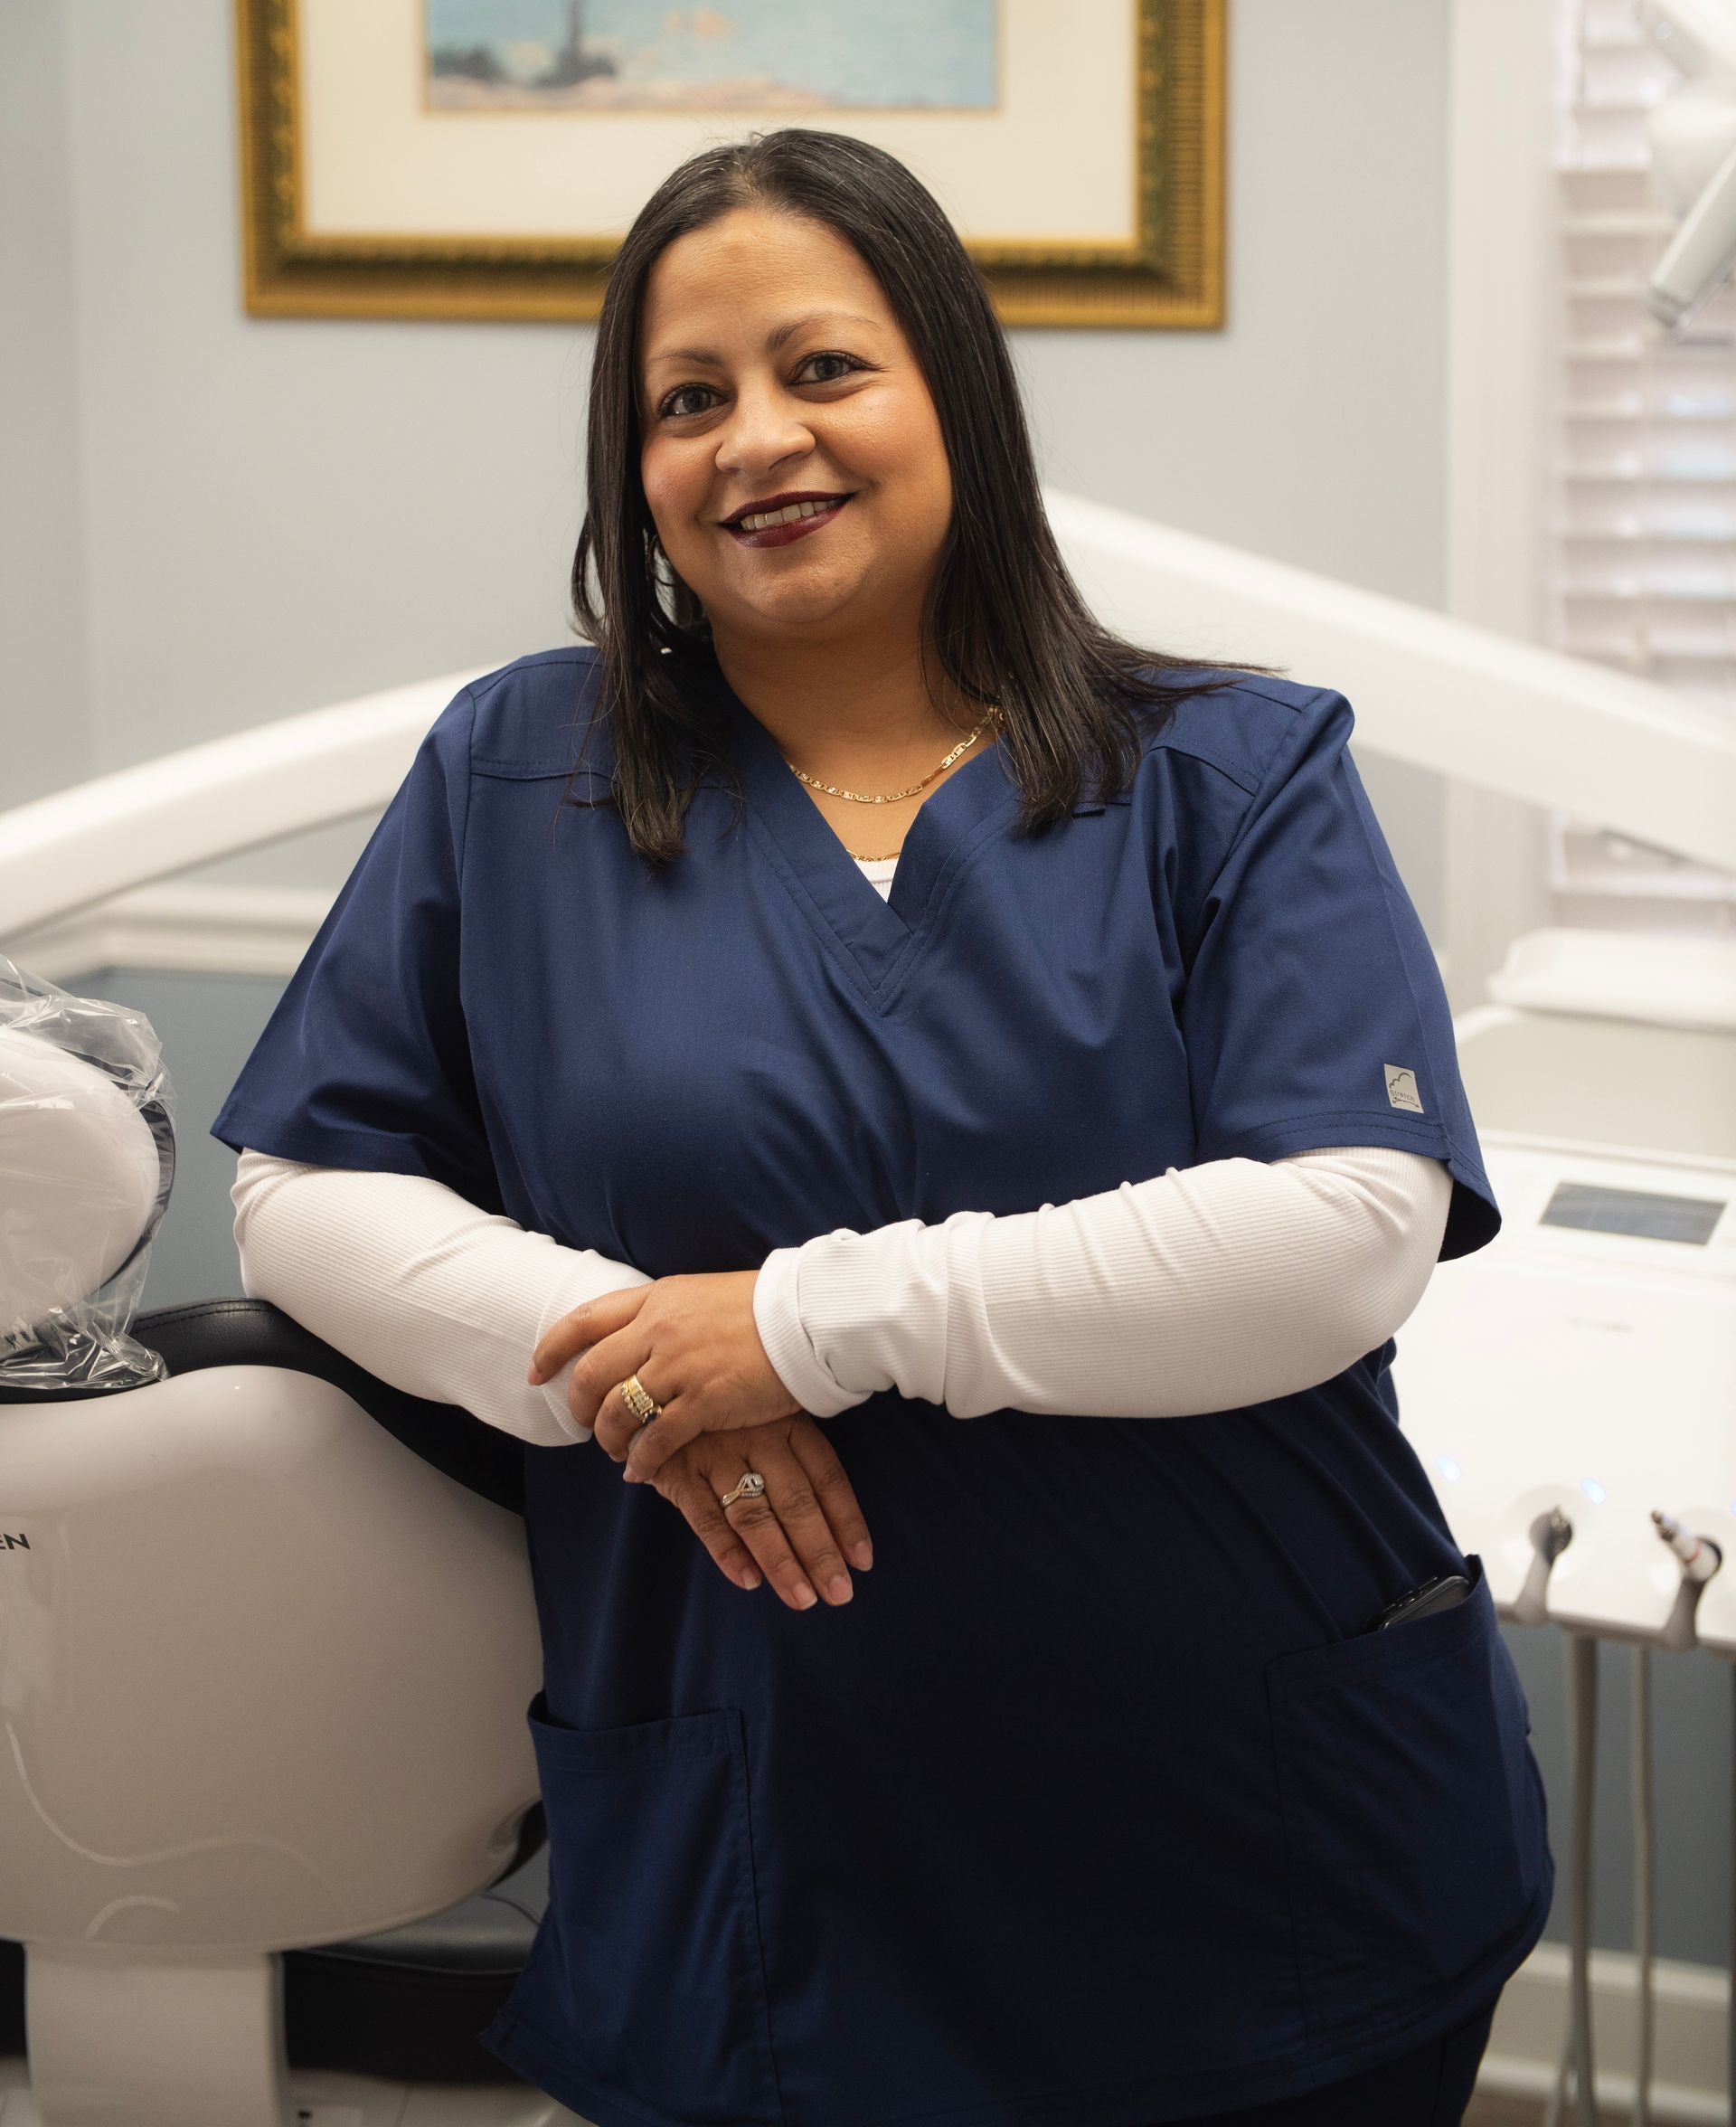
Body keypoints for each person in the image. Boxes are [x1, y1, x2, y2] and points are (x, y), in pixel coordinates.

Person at [212, 128, 1552, 2127]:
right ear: (634, 465)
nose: (758, 439)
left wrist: (802, 1326)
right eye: (689, 399)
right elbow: (302, 1188)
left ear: (953, 393)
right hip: (774, 1877)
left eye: (823, 368)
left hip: (1259, 1849)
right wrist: (630, 1365)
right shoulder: (519, 774)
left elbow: (1342, 1232)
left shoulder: (1233, 775)